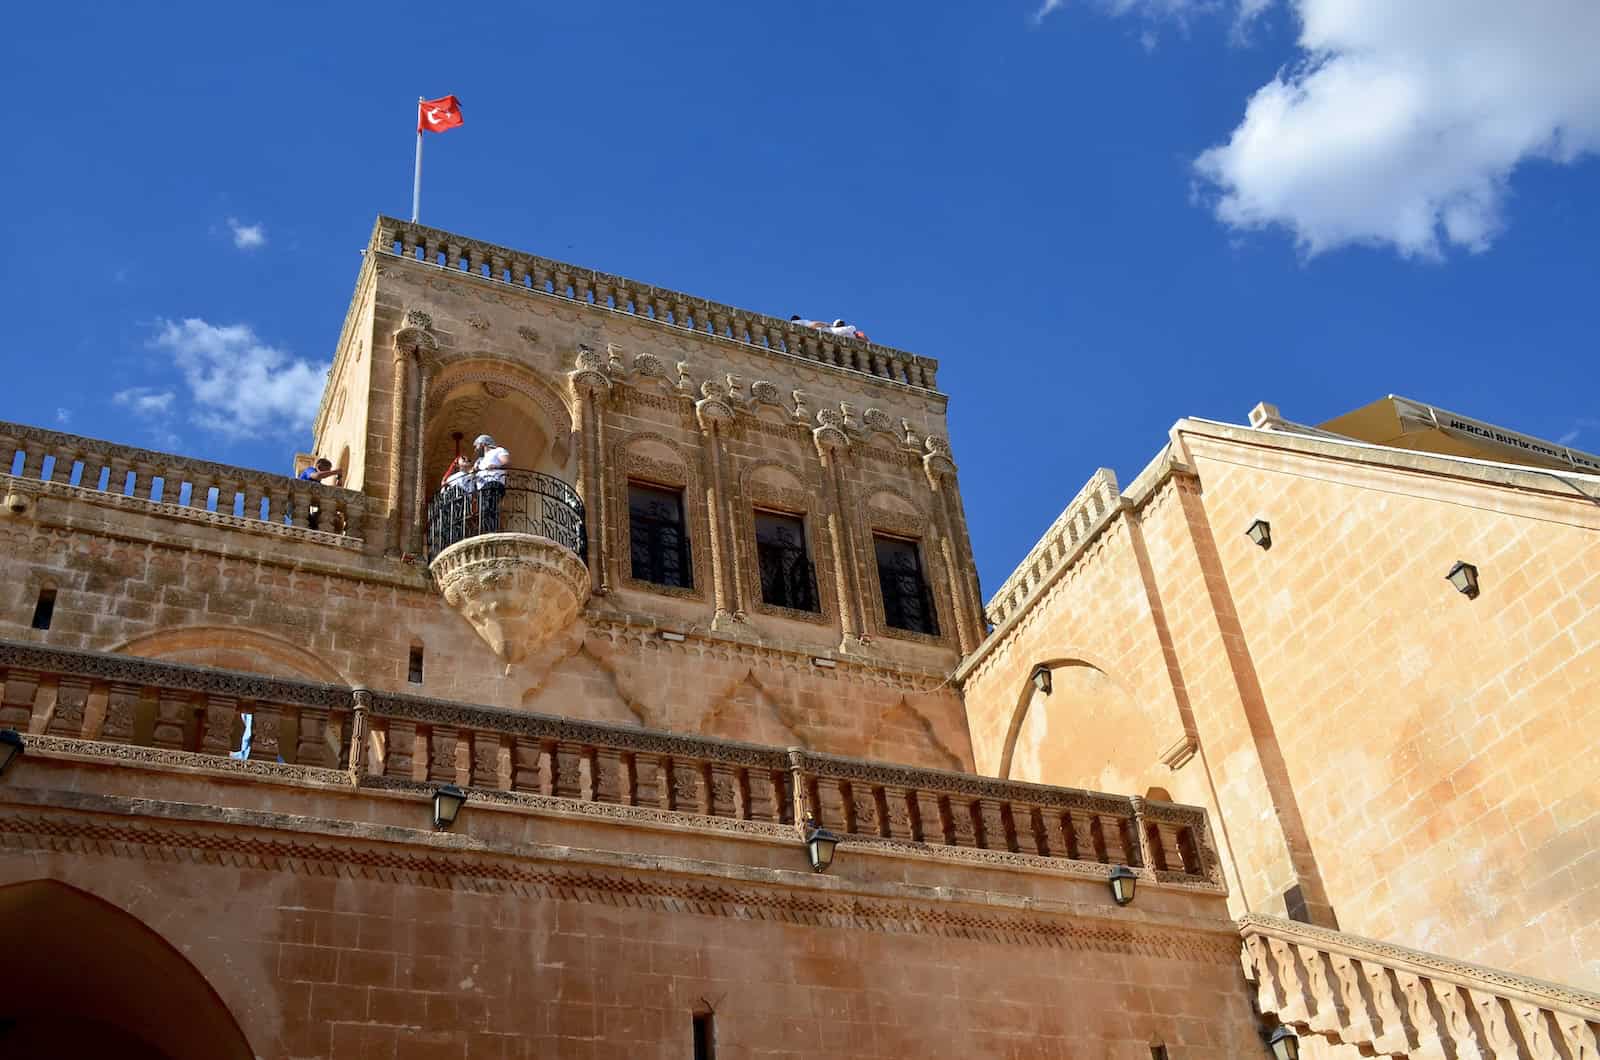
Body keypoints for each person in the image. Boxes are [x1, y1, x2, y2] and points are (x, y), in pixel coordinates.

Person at [472, 434, 510, 533]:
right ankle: (489, 531)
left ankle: (493, 530)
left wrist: (495, 465)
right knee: (485, 511)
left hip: (494, 482)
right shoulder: (479, 461)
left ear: (483, 444)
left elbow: (506, 462)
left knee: (489, 507)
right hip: (482, 487)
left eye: (477, 446)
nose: (476, 449)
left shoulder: (498, 450)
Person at [297, 457, 342, 530]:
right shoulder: (310, 470)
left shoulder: (317, 484)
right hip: (297, 505)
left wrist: (339, 479)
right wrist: (335, 472)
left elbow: (333, 491)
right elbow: (317, 475)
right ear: (319, 466)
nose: (327, 473)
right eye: (327, 470)